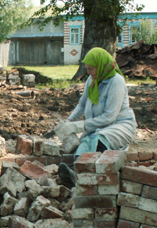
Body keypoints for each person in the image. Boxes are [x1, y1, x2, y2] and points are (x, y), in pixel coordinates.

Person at [56, 47, 137, 187]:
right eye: (87, 68)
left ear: (101, 67)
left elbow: (109, 117)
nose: (88, 72)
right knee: (85, 143)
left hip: (120, 125)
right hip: (97, 126)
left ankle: (91, 175)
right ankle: (77, 173)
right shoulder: (92, 80)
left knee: (98, 139)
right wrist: (68, 121)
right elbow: (81, 105)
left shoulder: (116, 82)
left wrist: (78, 126)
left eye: (91, 69)